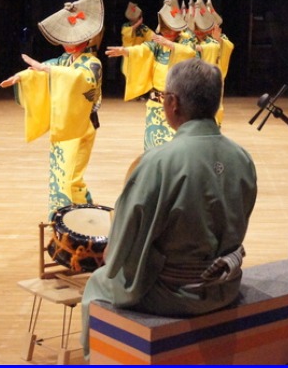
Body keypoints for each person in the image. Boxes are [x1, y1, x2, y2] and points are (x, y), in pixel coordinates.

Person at [81, 58, 257, 358]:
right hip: (226, 286)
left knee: (97, 285)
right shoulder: (242, 158)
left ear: (173, 103)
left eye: (163, 97)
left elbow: (117, 253)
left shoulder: (158, 162)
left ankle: (96, 360)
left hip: (176, 293)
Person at [0, 0, 104, 222]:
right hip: (63, 125)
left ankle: (76, 221)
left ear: (86, 39)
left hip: (80, 127)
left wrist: (48, 70)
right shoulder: (64, 61)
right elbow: (43, 70)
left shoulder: (92, 63)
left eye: (75, 39)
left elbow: (81, 79)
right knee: (62, 176)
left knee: (70, 177)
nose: (69, 44)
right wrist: (23, 76)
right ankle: (71, 220)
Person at [106, 0, 198, 150]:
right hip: (156, 101)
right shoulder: (157, 44)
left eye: (170, 28)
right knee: (153, 142)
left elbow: (190, 53)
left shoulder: (186, 41)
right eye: (165, 27)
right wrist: (126, 50)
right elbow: (143, 48)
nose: (167, 31)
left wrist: (170, 44)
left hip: (177, 102)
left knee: (174, 142)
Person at [191, 0, 234, 126]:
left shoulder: (217, 39)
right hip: (193, 77)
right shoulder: (190, 37)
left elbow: (227, 46)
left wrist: (217, 41)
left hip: (211, 79)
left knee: (212, 105)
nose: (198, 31)